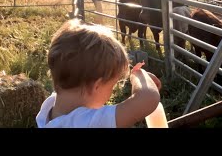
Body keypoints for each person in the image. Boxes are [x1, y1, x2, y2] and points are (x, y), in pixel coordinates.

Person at [35, 19, 168, 128]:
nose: (112, 91)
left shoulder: (51, 107)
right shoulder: (85, 123)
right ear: (97, 85)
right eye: (112, 86)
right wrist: (138, 75)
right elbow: (148, 99)